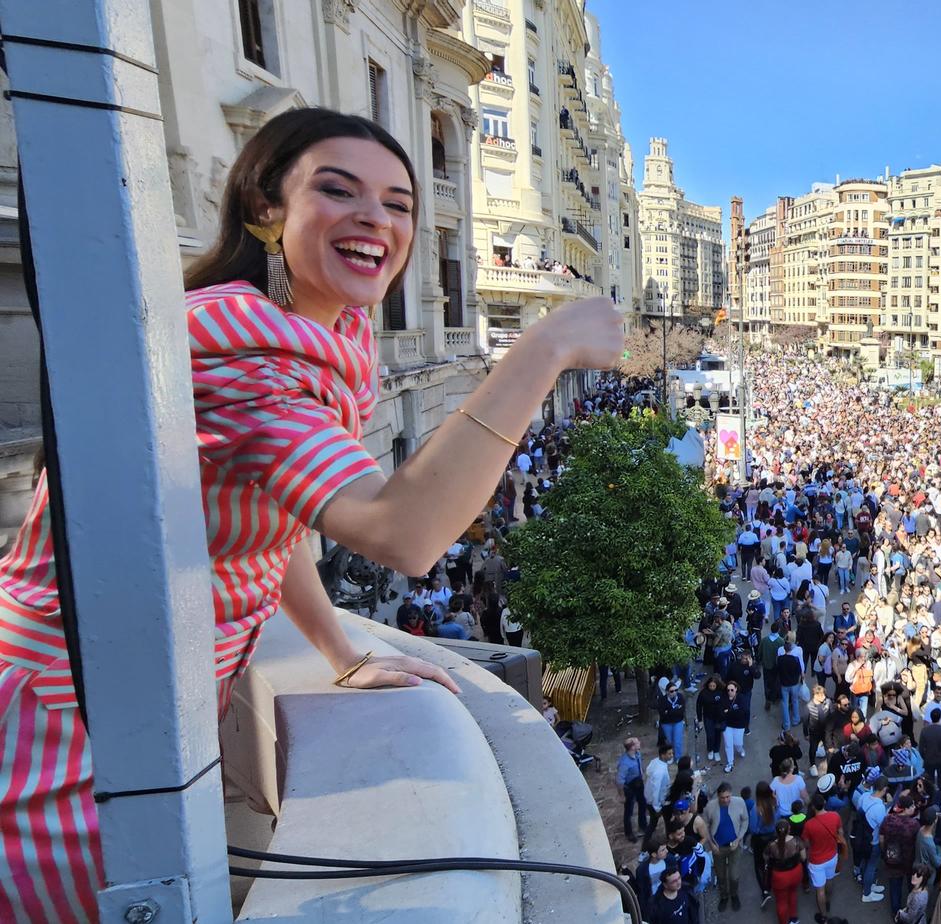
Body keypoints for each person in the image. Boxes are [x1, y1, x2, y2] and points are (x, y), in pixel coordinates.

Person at [0, 106, 626, 923]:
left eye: (399, 203)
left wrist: (338, 647)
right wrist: (540, 350)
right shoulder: (242, 345)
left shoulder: (326, 332)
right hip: (67, 728)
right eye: (339, 191)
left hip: (144, 705)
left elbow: (274, 515)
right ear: (266, 208)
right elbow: (404, 534)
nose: (379, 218)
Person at [703, 782, 749, 911]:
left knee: (734, 876)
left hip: (735, 846)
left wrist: (739, 838)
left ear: (731, 794)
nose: (726, 800)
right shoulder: (710, 807)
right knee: (721, 875)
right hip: (718, 848)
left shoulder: (739, 802)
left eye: (728, 797)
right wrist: (711, 845)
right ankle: (724, 896)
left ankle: (734, 894)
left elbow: (745, 820)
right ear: (718, 796)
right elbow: (705, 826)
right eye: (722, 798)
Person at [799, 794, 847, 918]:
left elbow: (807, 844)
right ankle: (828, 902)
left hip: (817, 861)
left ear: (813, 807)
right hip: (832, 856)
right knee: (830, 880)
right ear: (824, 803)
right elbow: (840, 832)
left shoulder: (809, 824)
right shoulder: (835, 816)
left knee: (820, 889)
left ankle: (823, 915)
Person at [765, 817, 807, 924]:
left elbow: (766, 858)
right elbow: (803, 857)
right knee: (793, 893)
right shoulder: (797, 841)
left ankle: (784, 922)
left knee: (781, 901)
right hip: (796, 872)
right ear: (789, 829)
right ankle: (794, 918)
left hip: (780, 877)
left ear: (776, 831)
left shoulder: (772, 845)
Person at [619, 737, 649, 841]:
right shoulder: (624, 763)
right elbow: (619, 780)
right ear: (632, 747)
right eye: (637, 742)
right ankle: (629, 833)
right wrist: (622, 794)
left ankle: (643, 826)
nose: (639, 742)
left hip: (638, 784)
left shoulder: (637, 754)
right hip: (630, 787)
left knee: (643, 804)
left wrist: (641, 775)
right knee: (629, 811)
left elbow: (639, 765)